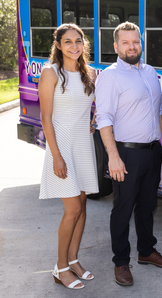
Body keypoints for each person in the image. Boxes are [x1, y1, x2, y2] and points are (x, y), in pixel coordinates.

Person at [95, 21, 162, 286]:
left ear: (141, 43)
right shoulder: (110, 76)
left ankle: (146, 251)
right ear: (116, 46)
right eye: (126, 43)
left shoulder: (151, 72)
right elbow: (103, 118)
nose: (132, 47)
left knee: (147, 206)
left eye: (136, 42)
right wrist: (113, 157)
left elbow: (158, 112)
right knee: (123, 208)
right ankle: (121, 261)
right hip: (126, 155)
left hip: (152, 152)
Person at [38, 23, 98, 290]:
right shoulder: (51, 72)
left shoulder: (90, 73)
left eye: (79, 41)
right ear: (59, 45)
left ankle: (73, 260)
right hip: (61, 145)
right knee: (72, 209)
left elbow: (86, 107)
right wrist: (56, 156)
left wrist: (91, 121)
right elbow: (46, 117)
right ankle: (60, 267)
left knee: (82, 204)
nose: (74, 46)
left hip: (83, 144)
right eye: (68, 41)